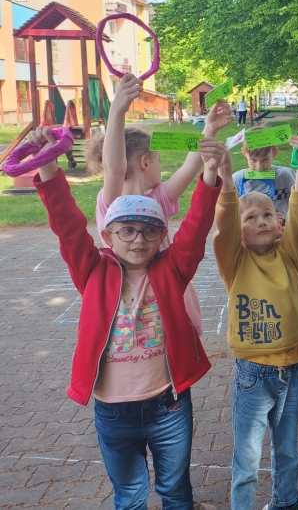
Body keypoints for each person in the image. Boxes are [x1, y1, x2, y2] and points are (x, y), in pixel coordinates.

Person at [30, 125, 224, 510]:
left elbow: (197, 228)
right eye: (128, 230)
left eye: (150, 231)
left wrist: (210, 172)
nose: (138, 239)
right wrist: (48, 164)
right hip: (113, 411)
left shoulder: (172, 269)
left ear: (162, 236)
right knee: (130, 497)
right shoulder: (92, 271)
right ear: (108, 235)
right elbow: (67, 226)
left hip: (169, 405)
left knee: (175, 492)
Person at [86, 73, 234, 335]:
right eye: (158, 161)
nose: (161, 167)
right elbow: (114, 168)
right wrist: (117, 111)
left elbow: (191, 165)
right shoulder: (112, 204)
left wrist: (210, 129)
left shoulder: (157, 200)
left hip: (166, 291)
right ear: (145, 162)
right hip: (131, 301)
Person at [214, 135, 298, 510]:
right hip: (253, 373)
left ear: (279, 223)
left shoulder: (289, 254)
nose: (261, 221)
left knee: (287, 450)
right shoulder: (234, 261)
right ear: (239, 231)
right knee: (247, 458)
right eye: (250, 218)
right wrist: (226, 178)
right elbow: (224, 224)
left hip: (293, 367)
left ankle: (287, 502)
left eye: (268, 215)